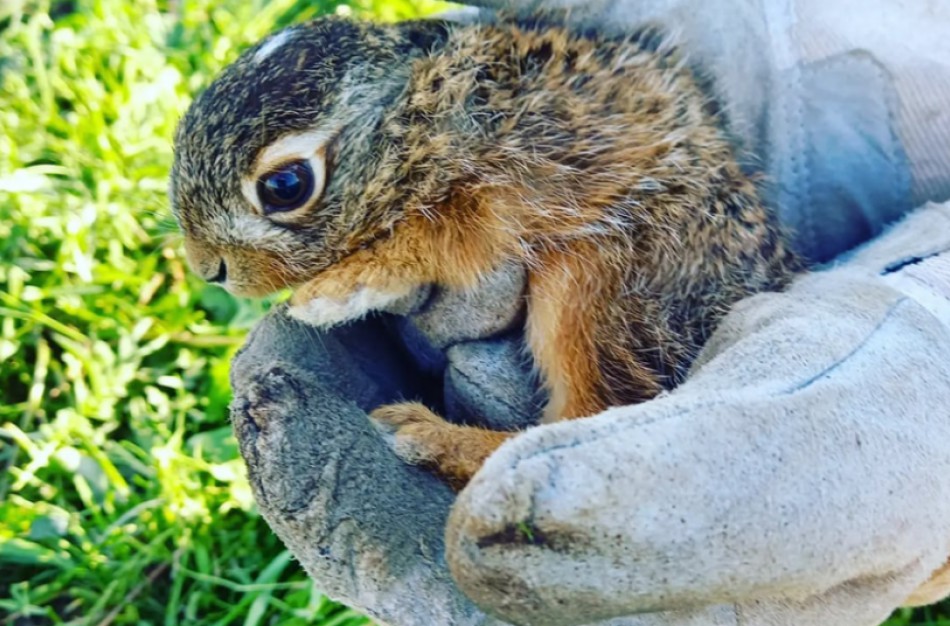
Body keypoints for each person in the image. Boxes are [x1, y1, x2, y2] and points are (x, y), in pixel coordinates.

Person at [228, 0, 950, 624]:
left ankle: (533, 458)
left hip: (664, 224)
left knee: (603, 262)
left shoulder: (459, 121)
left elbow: (492, 215)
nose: (213, 270)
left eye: (287, 186)